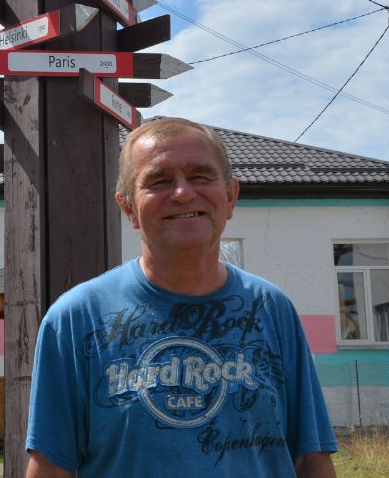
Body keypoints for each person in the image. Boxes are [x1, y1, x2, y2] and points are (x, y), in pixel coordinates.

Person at [26, 118, 338, 477]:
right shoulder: (76, 319)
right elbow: (49, 467)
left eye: (200, 176)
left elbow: (311, 458)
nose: (183, 193)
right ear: (128, 208)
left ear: (231, 196)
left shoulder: (271, 308)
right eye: (159, 181)